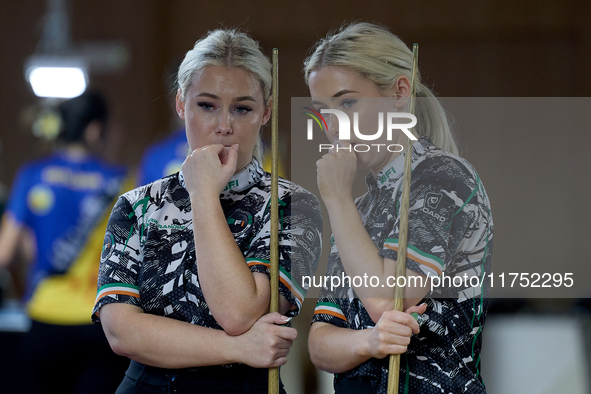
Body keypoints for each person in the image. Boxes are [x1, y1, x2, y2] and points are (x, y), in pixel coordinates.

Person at [93, 29, 322, 394]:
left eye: (243, 108)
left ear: (266, 112)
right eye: (207, 105)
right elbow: (121, 332)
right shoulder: (136, 206)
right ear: (181, 104)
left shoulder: (294, 206)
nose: (224, 126)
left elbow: (237, 313)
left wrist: (202, 194)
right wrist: (238, 347)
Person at [305, 23, 493, 393]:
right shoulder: (358, 208)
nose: (334, 127)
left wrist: (336, 199)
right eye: (323, 111)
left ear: (400, 92)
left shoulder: (445, 177)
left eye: (347, 102)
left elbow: (386, 300)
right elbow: (320, 342)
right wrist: (368, 343)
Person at [0, 90, 129, 393]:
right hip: (100, 322)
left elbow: (6, 252)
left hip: (45, 318)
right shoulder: (122, 180)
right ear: (95, 130)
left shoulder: (32, 175)